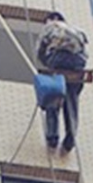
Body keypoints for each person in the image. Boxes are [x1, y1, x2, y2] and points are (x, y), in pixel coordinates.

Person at [36, 12, 89, 153]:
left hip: (59, 60)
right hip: (77, 63)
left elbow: (40, 52)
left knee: (52, 98)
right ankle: (70, 140)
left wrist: (48, 64)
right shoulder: (76, 29)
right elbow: (85, 52)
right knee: (71, 102)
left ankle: (52, 138)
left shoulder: (49, 28)